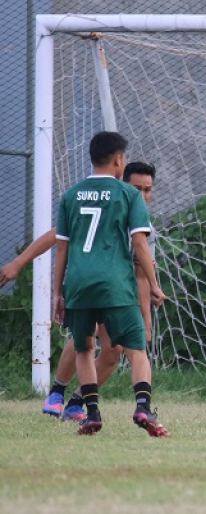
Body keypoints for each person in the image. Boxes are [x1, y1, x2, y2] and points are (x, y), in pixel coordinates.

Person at [8, 161, 158, 422]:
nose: (143, 196)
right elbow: (55, 236)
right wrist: (19, 263)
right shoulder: (108, 207)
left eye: (148, 190)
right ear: (123, 184)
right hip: (93, 286)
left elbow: (141, 275)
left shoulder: (141, 225)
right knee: (85, 339)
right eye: (138, 188)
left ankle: (78, 401)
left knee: (113, 352)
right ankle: (57, 391)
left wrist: (146, 318)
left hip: (120, 292)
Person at [52, 131, 168, 436]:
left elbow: (62, 248)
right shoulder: (128, 195)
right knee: (137, 348)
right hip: (116, 282)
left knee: (84, 349)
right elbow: (140, 244)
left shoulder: (70, 196)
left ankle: (91, 413)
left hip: (78, 283)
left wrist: (57, 292)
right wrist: (155, 284)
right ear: (118, 160)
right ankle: (143, 407)